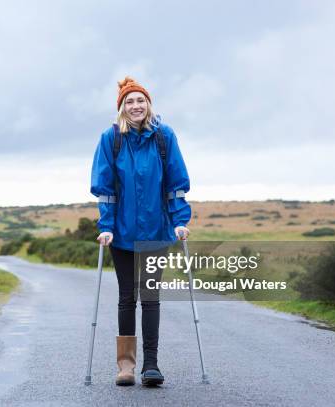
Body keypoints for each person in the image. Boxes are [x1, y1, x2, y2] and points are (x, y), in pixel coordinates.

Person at [90, 76, 191, 386]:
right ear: (122, 107)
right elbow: (105, 188)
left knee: (150, 297)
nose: (136, 106)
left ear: (149, 105)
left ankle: (152, 365)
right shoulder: (111, 139)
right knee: (125, 297)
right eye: (129, 101)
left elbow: (175, 183)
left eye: (140, 100)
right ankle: (125, 367)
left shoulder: (164, 137)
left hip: (156, 231)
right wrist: (106, 226)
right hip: (121, 233)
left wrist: (179, 220)